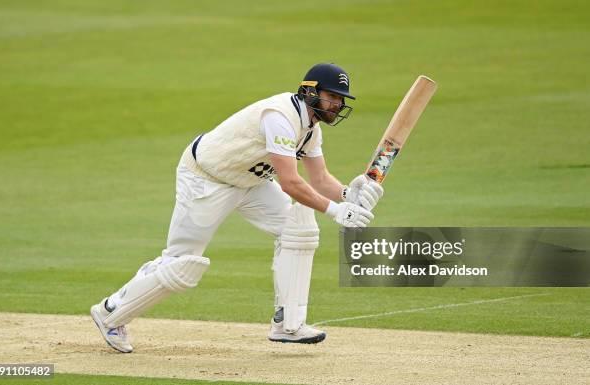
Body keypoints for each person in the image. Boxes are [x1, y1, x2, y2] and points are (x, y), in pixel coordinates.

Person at [90, 63, 384, 353]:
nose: (337, 104)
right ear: (310, 92)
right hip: (207, 179)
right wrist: (336, 211)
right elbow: (291, 183)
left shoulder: (310, 129)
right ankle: (110, 313)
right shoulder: (280, 116)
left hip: (250, 182)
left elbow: (320, 179)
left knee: (298, 228)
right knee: (182, 265)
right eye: (331, 96)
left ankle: (288, 325)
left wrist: (347, 192)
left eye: (340, 99)